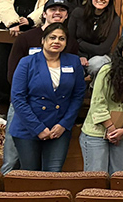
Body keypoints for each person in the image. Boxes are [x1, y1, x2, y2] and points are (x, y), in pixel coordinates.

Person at [10, 23, 86, 171]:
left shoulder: (74, 62)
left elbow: (77, 96)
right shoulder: (27, 62)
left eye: (61, 38)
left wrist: (64, 124)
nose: (56, 41)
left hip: (58, 128)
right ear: (43, 40)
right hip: (28, 127)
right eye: (52, 37)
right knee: (31, 175)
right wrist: (38, 128)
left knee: (53, 175)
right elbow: (18, 98)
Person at [80, 33, 123, 174]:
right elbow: (98, 103)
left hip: (122, 134)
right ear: (120, 51)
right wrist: (111, 129)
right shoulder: (107, 71)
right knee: (97, 177)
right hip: (96, 133)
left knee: (117, 176)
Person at [69, 0, 120, 78]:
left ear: (110, 0)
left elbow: (103, 49)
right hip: (77, 54)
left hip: (100, 57)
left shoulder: (114, 19)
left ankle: (93, 89)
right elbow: (70, 39)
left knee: (95, 65)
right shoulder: (78, 12)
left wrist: (80, 42)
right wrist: (80, 56)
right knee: (75, 66)